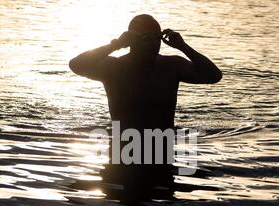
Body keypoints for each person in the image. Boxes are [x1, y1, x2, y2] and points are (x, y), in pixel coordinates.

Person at [69, 14, 222, 133]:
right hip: (125, 146)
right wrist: (115, 45)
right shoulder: (114, 67)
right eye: (147, 38)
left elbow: (214, 76)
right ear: (131, 41)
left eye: (157, 38)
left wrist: (183, 46)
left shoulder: (172, 66)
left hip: (161, 144)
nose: (154, 43)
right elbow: (76, 65)